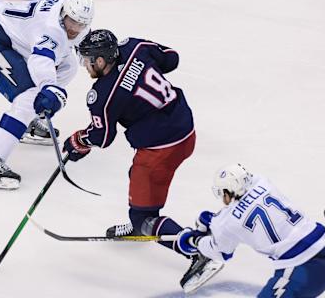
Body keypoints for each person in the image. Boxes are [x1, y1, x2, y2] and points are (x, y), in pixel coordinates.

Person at [62, 29, 220, 293]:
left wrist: (79, 140)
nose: (86, 66)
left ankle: (198, 251)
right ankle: (146, 223)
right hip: (185, 128)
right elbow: (171, 59)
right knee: (136, 176)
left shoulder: (102, 95)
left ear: (101, 61)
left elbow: (102, 137)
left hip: (160, 150)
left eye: (88, 60)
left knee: (142, 217)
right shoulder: (134, 47)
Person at [0, 0, 94, 190]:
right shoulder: (51, 29)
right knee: (28, 97)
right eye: (72, 22)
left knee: (68, 65)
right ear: (64, 13)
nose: (75, 29)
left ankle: (30, 122)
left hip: (13, 35)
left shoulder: (67, 12)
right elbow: (40, 60)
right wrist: (48, 88)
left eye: (81, 24)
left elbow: (68, 48)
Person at [177, 164, 325, 296]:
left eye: (222, 193)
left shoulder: (226, 222)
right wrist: (213, 221)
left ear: (227, 192)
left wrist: (194, 240)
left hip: (302, 268)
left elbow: (221, 252)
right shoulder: (263, 182)